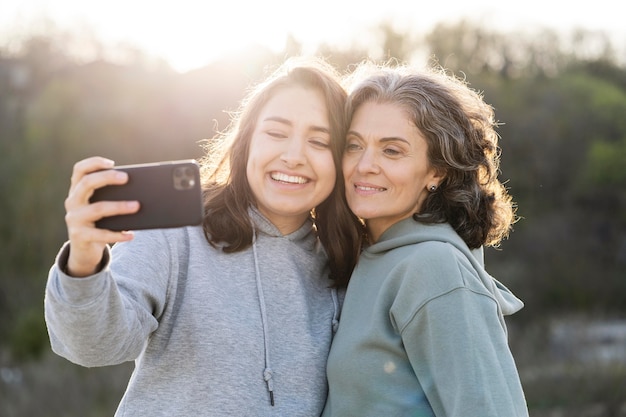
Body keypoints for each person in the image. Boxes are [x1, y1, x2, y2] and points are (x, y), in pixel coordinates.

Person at [44, 56, 361, 416]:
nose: (293, 156)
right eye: (276, 133)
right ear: (247, 143)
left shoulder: (348, 264)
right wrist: (84, 260)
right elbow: (94, 346)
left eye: (320, 142)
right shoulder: (176, 234)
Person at [322, 62, 529, 417]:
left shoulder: (434, 268)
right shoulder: (366, 257)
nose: (364, 165)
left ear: (437, 171)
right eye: (354, 145)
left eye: (391, 150)